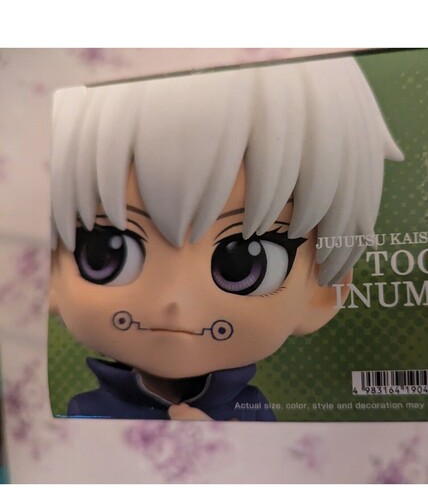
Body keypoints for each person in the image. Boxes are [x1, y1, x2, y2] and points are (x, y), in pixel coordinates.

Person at [49, 56, 403, 420]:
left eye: (245, 264)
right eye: (108, 254)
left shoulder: (250, 414)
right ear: (47, 275)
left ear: (324, 290)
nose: (175, 301)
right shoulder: (83, 414)